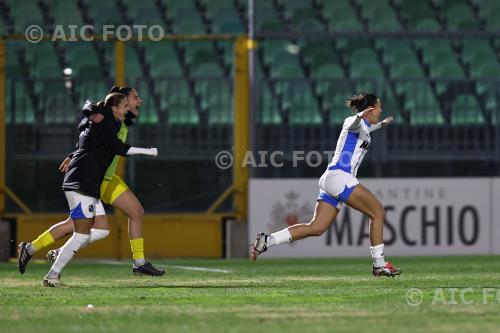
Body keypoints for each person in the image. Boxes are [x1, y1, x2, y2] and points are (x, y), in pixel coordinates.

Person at [17, 86, 165, 277]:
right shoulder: (106, 117)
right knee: (85, 227)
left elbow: (91, 134)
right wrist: (89, 116)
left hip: (108, 178)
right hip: (97, 179)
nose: (139, 102)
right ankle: (137, 263)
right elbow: (88, 118)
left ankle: (32, 249)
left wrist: (75, 151)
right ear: (122, 101)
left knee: (101, 224)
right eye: (135, 98)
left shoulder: (120, 120)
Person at [250, 93, 401, 277]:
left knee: (317, 227)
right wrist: (360, 116)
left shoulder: (367, 127)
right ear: (369, 110)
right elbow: (352, 123)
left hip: (331, 179)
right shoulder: (354, 122)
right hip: (340, 176)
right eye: (379, 106)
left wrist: (381, 124)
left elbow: (367, 128)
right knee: (377, 211)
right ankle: (379, 264)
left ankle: (267, 240)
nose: (381, 109)